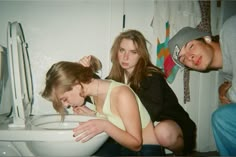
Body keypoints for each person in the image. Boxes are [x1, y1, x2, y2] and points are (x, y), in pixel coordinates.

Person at [79, 29, 197, 155]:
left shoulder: (152, 77)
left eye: (133, 52)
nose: (125, 57)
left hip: (172, 125)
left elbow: (144, 113)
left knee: (163, 132)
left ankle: (180, 154)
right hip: (147, 131)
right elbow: (100, 91)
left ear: (141, 54)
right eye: (122, 50)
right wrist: (86, 74)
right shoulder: (116, 78)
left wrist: (103, 120)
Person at [41, 56, 164, 156]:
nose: (66, 105)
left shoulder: (121, 94)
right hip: (123, 147)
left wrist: (104, 125)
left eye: (65, 99)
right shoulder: (94, 92)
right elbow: (116, 118)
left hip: (146, 151)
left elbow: (136, 144)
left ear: (76, 84)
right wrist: (92, 115)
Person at [168, 15, 236, 156]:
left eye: (191, 46)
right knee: (222, 117)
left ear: (206, 38)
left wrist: (227, 93)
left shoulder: (231, 29)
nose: (190, 57)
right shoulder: (227, 73)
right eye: (183, 59)